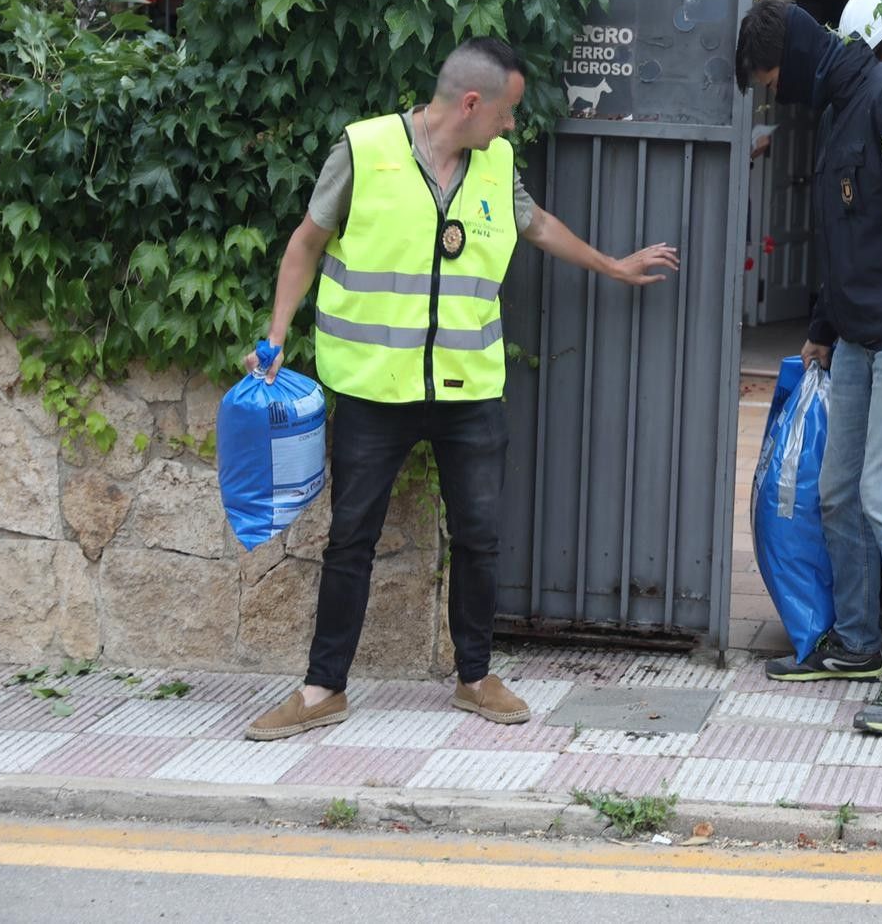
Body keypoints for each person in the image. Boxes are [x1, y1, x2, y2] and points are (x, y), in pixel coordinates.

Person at [243, 37, 678, 741]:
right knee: (350, 538)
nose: (511, 126)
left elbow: (534, 224)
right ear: (471, 103)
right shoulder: (365, 150)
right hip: (374, 389)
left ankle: (475, 678)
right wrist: (273, 338)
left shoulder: (495, 165)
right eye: (505, 112)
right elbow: (305, 243)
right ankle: (324, 689)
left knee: (479, 537)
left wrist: (611, 265)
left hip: (467, 388)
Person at [734, 0, 882, 735]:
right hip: (864, 336)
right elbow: (848, 234)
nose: (774, 92)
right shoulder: (840, 106)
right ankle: (859, 645)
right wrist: (820, 327)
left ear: (797, 57)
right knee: (840, 492)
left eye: (772, 77)